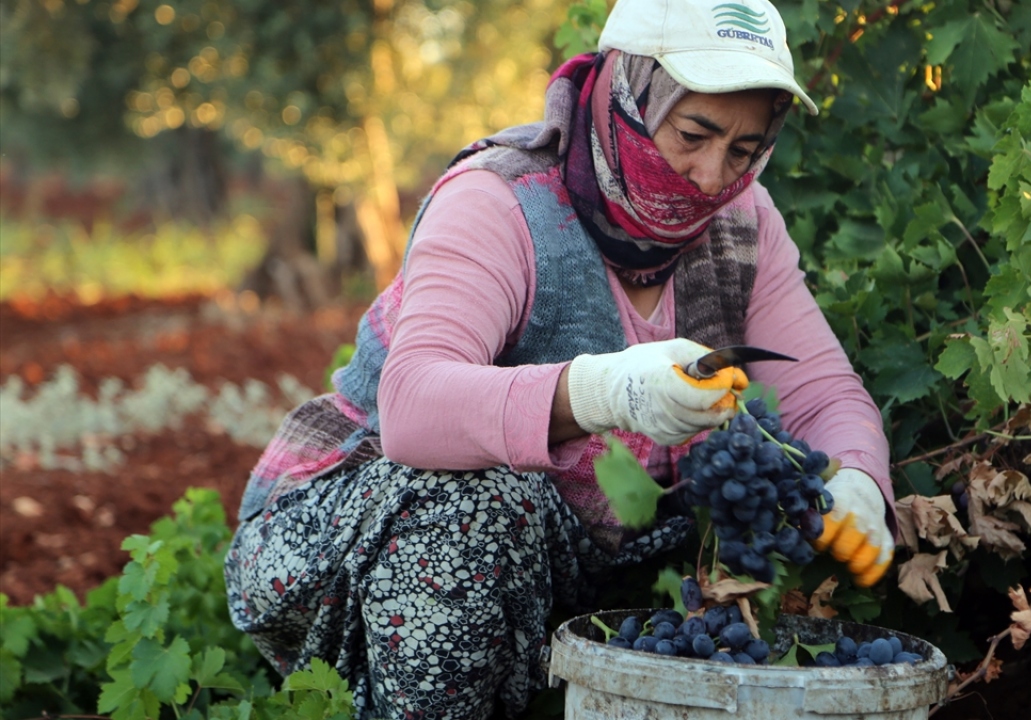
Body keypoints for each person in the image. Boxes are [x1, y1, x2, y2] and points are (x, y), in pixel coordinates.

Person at [224, 0, 896, 717]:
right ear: (628, 95)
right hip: (340, 538)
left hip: (560, 558)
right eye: (693, 132)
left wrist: (855, 477)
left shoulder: (741, 221)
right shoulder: (501, 200)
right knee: (470, 504)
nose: (710, 175)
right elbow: (414, 406)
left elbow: (822, 391)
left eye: (743, 149)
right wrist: (605, 391)